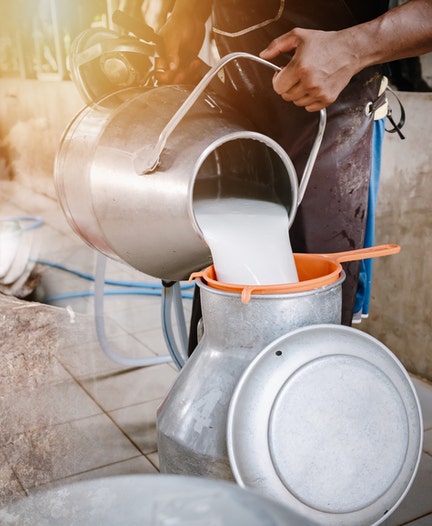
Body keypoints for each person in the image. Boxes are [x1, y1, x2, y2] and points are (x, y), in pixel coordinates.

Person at [156, 0, 432, 326]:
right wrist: (189, 12)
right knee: (226, 302)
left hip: (330, 112)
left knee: (312, 305)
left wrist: (354, 48)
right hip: (240, 101)